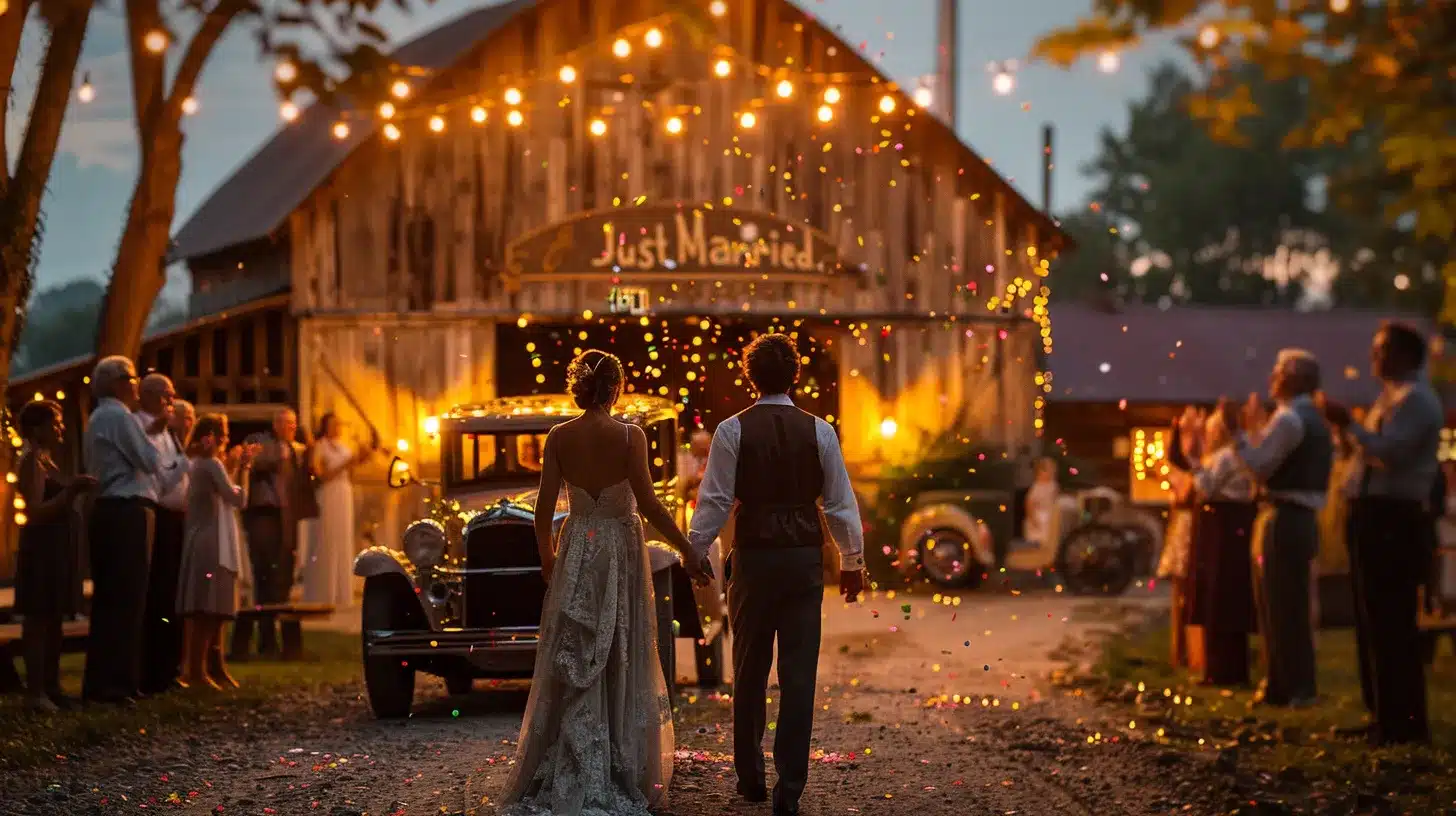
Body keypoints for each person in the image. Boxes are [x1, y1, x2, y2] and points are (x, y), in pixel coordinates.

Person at [498, 350, 709, 815]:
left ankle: (571, 752)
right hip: (620, 552)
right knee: (618, 646)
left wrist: (549, 558)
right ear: (615, 388)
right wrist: (687, 549)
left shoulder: (559, 437)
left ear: (582, 387)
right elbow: (651, 507)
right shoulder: (631, 437)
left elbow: (542, 510)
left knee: (575, 647)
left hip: (577, 547)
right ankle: (617, 760)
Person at [687, 332, 866, 816]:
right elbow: (840, 504)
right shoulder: (821, 431)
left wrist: (694, 551)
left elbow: (715, 500)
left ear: (751, 377)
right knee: (799, 675)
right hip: (804, 558)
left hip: (755, 558)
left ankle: (750, 778)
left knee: (748, 671)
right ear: (796, 376)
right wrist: (852, 563)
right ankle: (790, 788)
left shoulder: (731, 430)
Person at [1324, 322, 1443, 745]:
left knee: (1392, 622)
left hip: (1393, 518)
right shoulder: (1387, 400)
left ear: (1407, 355)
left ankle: (1404, 724)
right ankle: (1382, 715)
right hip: (1372, 514)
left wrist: (1350, 425)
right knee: (1370, 620)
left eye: (1381, 350)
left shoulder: (1417, 401)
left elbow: (1389, 454)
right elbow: (1363, 453)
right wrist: (1345, 430)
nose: (1373, 358)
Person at [1196, 350, 1331, 708]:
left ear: (1296, 378)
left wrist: (1236, 433)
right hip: (1299, 516)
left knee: (1279, 605)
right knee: (1285, 604)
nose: (1272, 377)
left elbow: (1259, 465)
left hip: (1283, 515)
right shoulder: (1313, 418)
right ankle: (1285, 684)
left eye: (1278, 371)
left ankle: (1290, 687)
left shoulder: (1289, 419)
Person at [83, 355, 189, 705]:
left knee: (115, 599)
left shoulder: (100, 417)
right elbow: (148, 459)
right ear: (116, 382)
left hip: (114, 507)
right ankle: (116, 686)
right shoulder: (117, 415)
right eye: (131, 379)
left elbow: (154, 470)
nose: (135, 386)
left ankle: (111, 682)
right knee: (127, 600)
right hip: (127, 509)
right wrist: (154, 438)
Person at [14, 400, 96, 710]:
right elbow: (35, 510)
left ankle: (52, 686)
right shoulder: (30, 462)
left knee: (54, 619)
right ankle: (35, 693)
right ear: (37, 429)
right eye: (55, 423)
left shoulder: (47, 461)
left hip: (56, 548)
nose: (61, 427)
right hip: (41, 550)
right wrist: (71, 491)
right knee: (38, 619)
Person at [1175, 401, 1259, 687]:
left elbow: (1206, 487)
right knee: (1225, 596)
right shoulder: (1236, 452)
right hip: (1231, 523)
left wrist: (1194, 462)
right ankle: (1225, 668)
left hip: (1224, 524)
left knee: (1220, 594)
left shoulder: (1226, 456)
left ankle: (1223, 671)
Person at [177, 415, 256, 689]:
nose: (225, 438)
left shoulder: (203, 464)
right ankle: (197, 670)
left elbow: (223, 491)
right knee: (207, 609)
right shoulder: (209, 463)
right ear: (208, 436)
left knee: (213, 608)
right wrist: (245, 469)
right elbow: (237, 498)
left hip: (205, 536)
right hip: (211, 541)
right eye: (221, 433)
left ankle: (212, 665)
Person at [232, 408, 306, 658]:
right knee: (263, 579)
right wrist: (278, 457)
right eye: (286, 423)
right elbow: (253, 464)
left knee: (282, 581)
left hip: (286, 521)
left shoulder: (297, 450)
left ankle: (285, 646)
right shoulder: (259, 441)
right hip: (263, 517)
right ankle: (266, 642)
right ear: (275, 425)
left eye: (294, 424)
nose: (291, 428)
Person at [137, 374, 189, 695]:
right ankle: (152, 673)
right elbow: (163, 479)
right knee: (157, 594)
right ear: (151, 395)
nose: (171, 402)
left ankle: (169, 670)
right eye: (167, 396)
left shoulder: (167, 431)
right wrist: (186, 462)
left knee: (172, 596)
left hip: (176, 518)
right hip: (161, 516)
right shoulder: (141, 427)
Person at [301, 413, 376, 608]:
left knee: (342, 539)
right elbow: (320, 475)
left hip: (344, 492)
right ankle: (322, 592)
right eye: (334, 424)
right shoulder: (320, 446)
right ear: (325, 426)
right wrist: (346, 463)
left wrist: (363, 455)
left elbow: (353, 465)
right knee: (327, 538)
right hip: (328, 493)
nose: (337, 428)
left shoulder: (343, 446)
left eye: (339, 424)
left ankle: (341, 593)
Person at [1161, 406, 1204, 671]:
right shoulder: (1179, 470)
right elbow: (1185, 495)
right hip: (1186, 531)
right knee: (1183, 592)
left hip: (1196, 529)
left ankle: (1193, 654)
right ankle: (1182, 653)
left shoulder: (1199, 463)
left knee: (1193, 592)